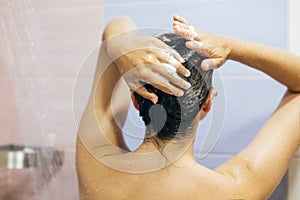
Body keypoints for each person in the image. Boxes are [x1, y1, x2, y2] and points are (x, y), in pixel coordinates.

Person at [76, 15, 300, 199]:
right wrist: (232, 47)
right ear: (208, 104)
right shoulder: (235, 190)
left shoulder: (96, 168)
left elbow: (116, 25)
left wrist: (121, 46)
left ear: (135, 100)